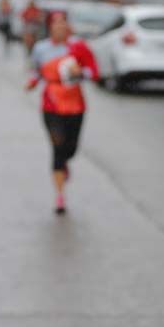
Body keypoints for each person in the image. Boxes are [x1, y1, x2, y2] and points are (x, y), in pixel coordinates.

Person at [26, 12, 99, 214]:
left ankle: (65, 162)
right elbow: (35, 70)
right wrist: (32, 82)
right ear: (50, 28)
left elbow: (94, 72)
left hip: (75, 105)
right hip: (51, 105)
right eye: (55, 24)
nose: (59, 27)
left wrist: (81, 73)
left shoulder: (78, 47)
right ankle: (60, 196)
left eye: (62, 23)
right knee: (57, 146)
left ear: (68, 26)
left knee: (71, 148)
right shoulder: (41, 48)